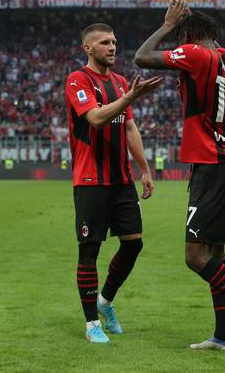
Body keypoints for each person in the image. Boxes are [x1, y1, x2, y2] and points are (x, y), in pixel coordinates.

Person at [134, 0, 225, 358]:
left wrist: (167, 24)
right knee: (216, 252)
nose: (178, 44)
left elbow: (141, 57)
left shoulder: (196, 54)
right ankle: (223, 334)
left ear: (191, 34)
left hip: (212, 164)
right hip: (224, 160)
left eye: (181, 36)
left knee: (195, 256)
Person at [65, 23, 162, 343]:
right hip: (91, 179)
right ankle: (92, 324)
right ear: (88, 49)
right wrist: (132, 96)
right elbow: (95, 118)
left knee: (133, 243)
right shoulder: (78, 80)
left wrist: (144, 169)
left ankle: (104, 302)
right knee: (89, 251)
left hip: (121, 179)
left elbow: (130, 128)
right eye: (105, 42)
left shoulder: (121, 82)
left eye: (114, 42)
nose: (112, 47)